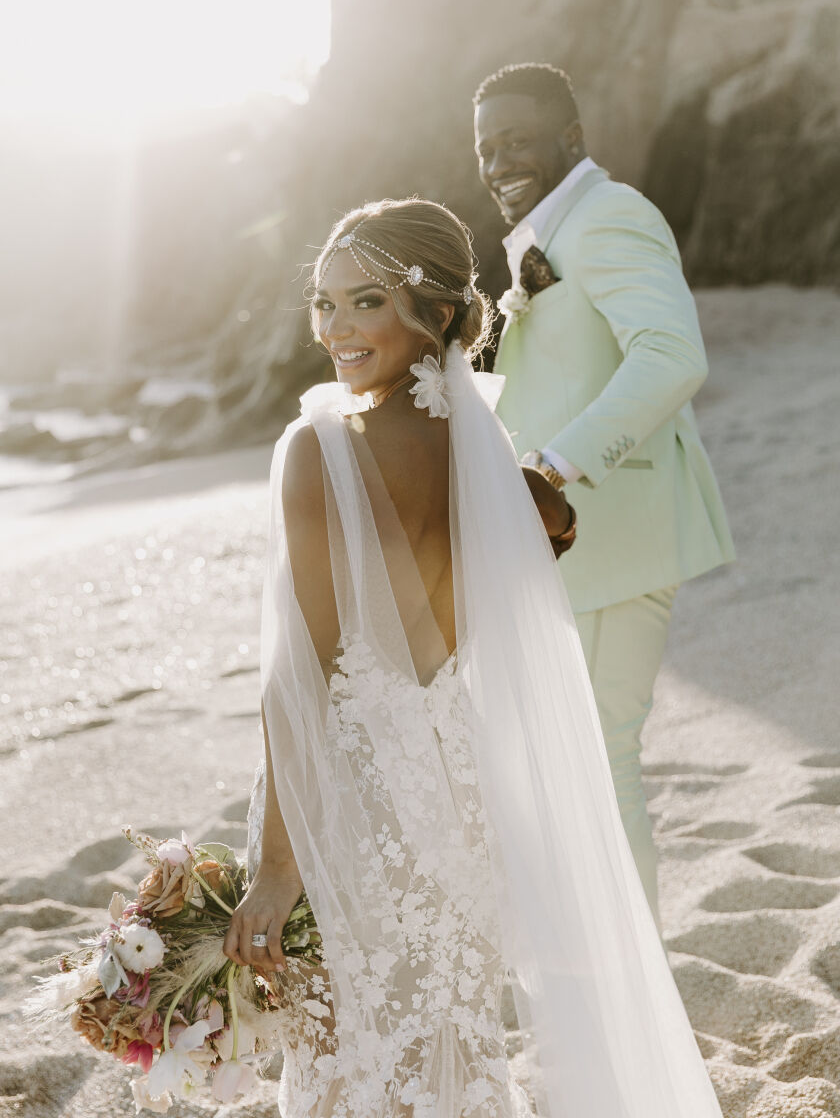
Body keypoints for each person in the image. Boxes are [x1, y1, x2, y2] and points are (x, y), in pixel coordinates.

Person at [223, 198, 723, 1117]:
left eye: (362, 301)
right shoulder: (494, 461)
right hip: (457, 793)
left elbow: (300, 681)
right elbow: (522, 575)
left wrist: (277, 868)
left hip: (356, 795)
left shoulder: (317, 451)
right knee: (451, 1051)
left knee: (344, 1061)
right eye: (323, 303)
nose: (333, 328)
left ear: (436, 312)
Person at [473, 63, 735, 927]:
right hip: (572, 544)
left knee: (601, 761)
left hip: (613, 533)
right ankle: (615, 978)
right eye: (486, 148)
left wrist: (551, 468)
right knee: (578, 764)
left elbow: (672, 357)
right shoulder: (551, 232)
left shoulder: (610, 214)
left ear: (572, 140)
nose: (500, 160)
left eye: (518, 140)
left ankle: (638, 996)